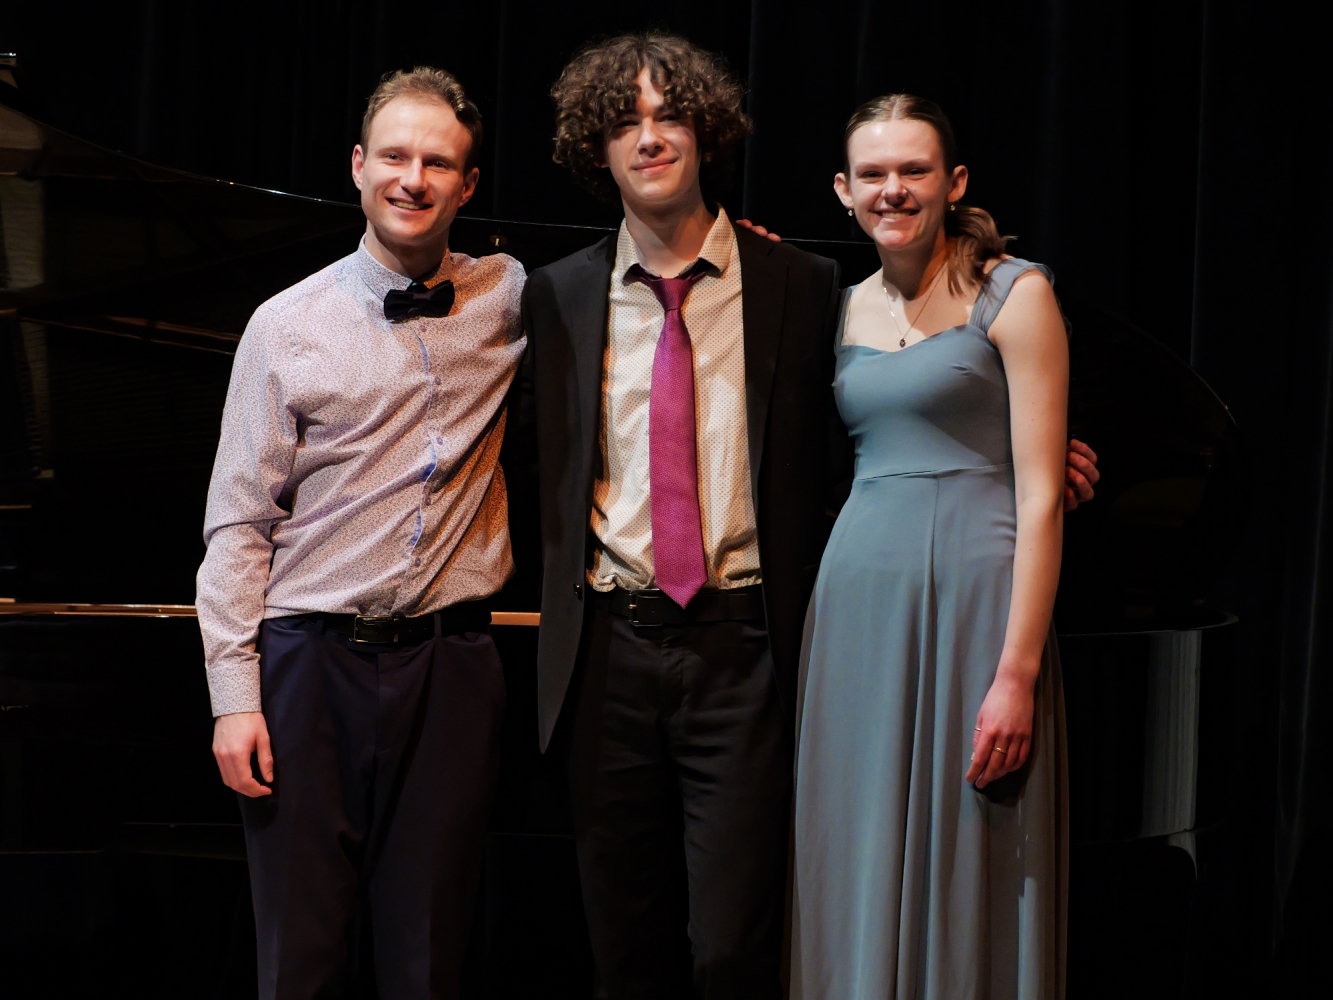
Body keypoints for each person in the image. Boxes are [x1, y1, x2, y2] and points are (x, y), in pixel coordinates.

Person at [516, 36, 1096, 998]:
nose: (650, 138)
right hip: (607, 655)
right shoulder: (555, 296)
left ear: (707, 134)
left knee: (739, 948)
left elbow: (909, 412)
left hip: (751, 646)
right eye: (626, 122)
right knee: (623, 946)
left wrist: (1041, 461)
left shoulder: (796, 285)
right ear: (595, 147)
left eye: (670, 117)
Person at [197, 67, 524, 999]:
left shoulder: (511, 297)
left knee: (431, 954)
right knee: (299, 956)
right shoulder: (284, 325)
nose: (412, 178)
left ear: (465, 185)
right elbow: (238, 524)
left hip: (450, 665)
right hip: (306, 664)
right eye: (393, 156)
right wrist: (233, 695)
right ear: (356, 165)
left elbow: (628, 296)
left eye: (437, 162)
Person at [789, 94, 1072, 1000]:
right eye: (871, 174)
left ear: (952, 183)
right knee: (855, 840)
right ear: (842, 190)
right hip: (858, 607)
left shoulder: (1014, 293)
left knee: (974, 845)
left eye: (912, 170)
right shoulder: (832, 310)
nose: (892, 190)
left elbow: (1040, 500)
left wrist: (1017, 673)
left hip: (978, 603)